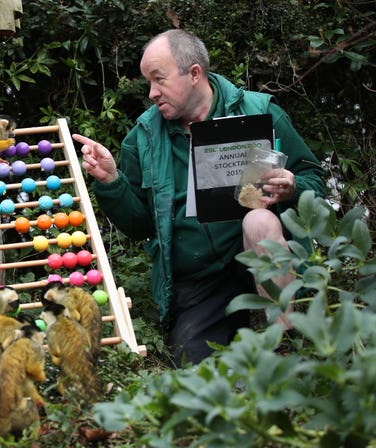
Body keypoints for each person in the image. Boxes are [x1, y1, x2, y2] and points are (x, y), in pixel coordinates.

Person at [72, 29, 326, 366]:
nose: (152, 93)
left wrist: (293, 187)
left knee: (259, 219)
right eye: (148, 82)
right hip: (200, 277)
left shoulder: (260, 111)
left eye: (159, 80)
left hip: (259, 251)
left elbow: (317, 184)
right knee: (191, 368)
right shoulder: (143, 138)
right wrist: (111, 181)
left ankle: (286, 338)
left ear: (194, 74)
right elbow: (140, 225)